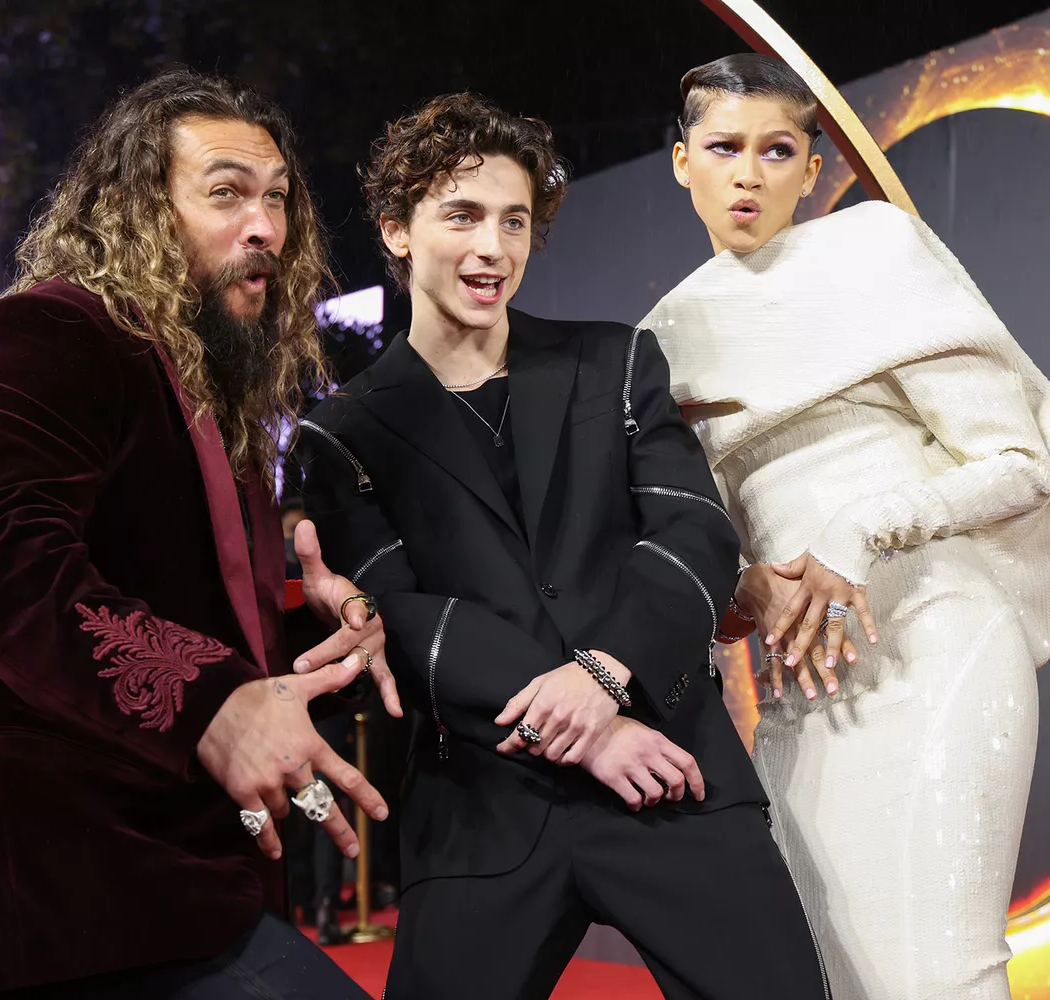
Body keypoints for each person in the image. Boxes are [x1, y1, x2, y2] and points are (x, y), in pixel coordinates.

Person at [0, 69, 406, 1000]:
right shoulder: (35, 337)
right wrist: (214, 706)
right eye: (225, 194)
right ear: (136, 209)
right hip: (49, 886)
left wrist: (324, 625)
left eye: (276, 201)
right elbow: (3, 566)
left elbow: (188, 605)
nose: (264, 228)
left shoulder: (207, 391)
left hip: (178, 874)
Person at [299, 92, 826, 1000]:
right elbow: (401, 612)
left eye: (514, 221)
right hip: (483, 804)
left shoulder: (615, 360)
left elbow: (693, 530)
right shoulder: (345, 430)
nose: (492, 249)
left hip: (672, 772)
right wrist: (588, 734)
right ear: (396, 228)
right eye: (461, 216)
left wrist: (605, 677)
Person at [643, 54, 1050, 1000]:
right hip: (800, 691)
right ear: (682, 162)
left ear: (811, 167)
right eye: (723, 148)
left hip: (937, 641)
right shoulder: (662, 336)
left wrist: (862, 526)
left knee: (940, 973)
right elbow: (704, 556)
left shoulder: (876, 253)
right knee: (830, 978)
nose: (749, 174)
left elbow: (1023, 460)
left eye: (778, 149)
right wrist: (744, 586)